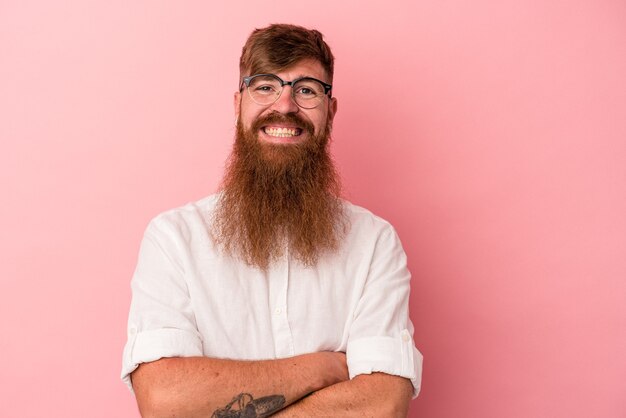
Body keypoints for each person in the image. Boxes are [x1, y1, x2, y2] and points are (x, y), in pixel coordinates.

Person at [121, 23, 423, 417]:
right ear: (237, 105)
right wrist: (322, 368)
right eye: (265, 86)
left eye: (307, 90)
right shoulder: (173, 239)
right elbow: (164, 402)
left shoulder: (374, 242)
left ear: (330, 112)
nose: (284, 106)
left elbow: (382, 405)